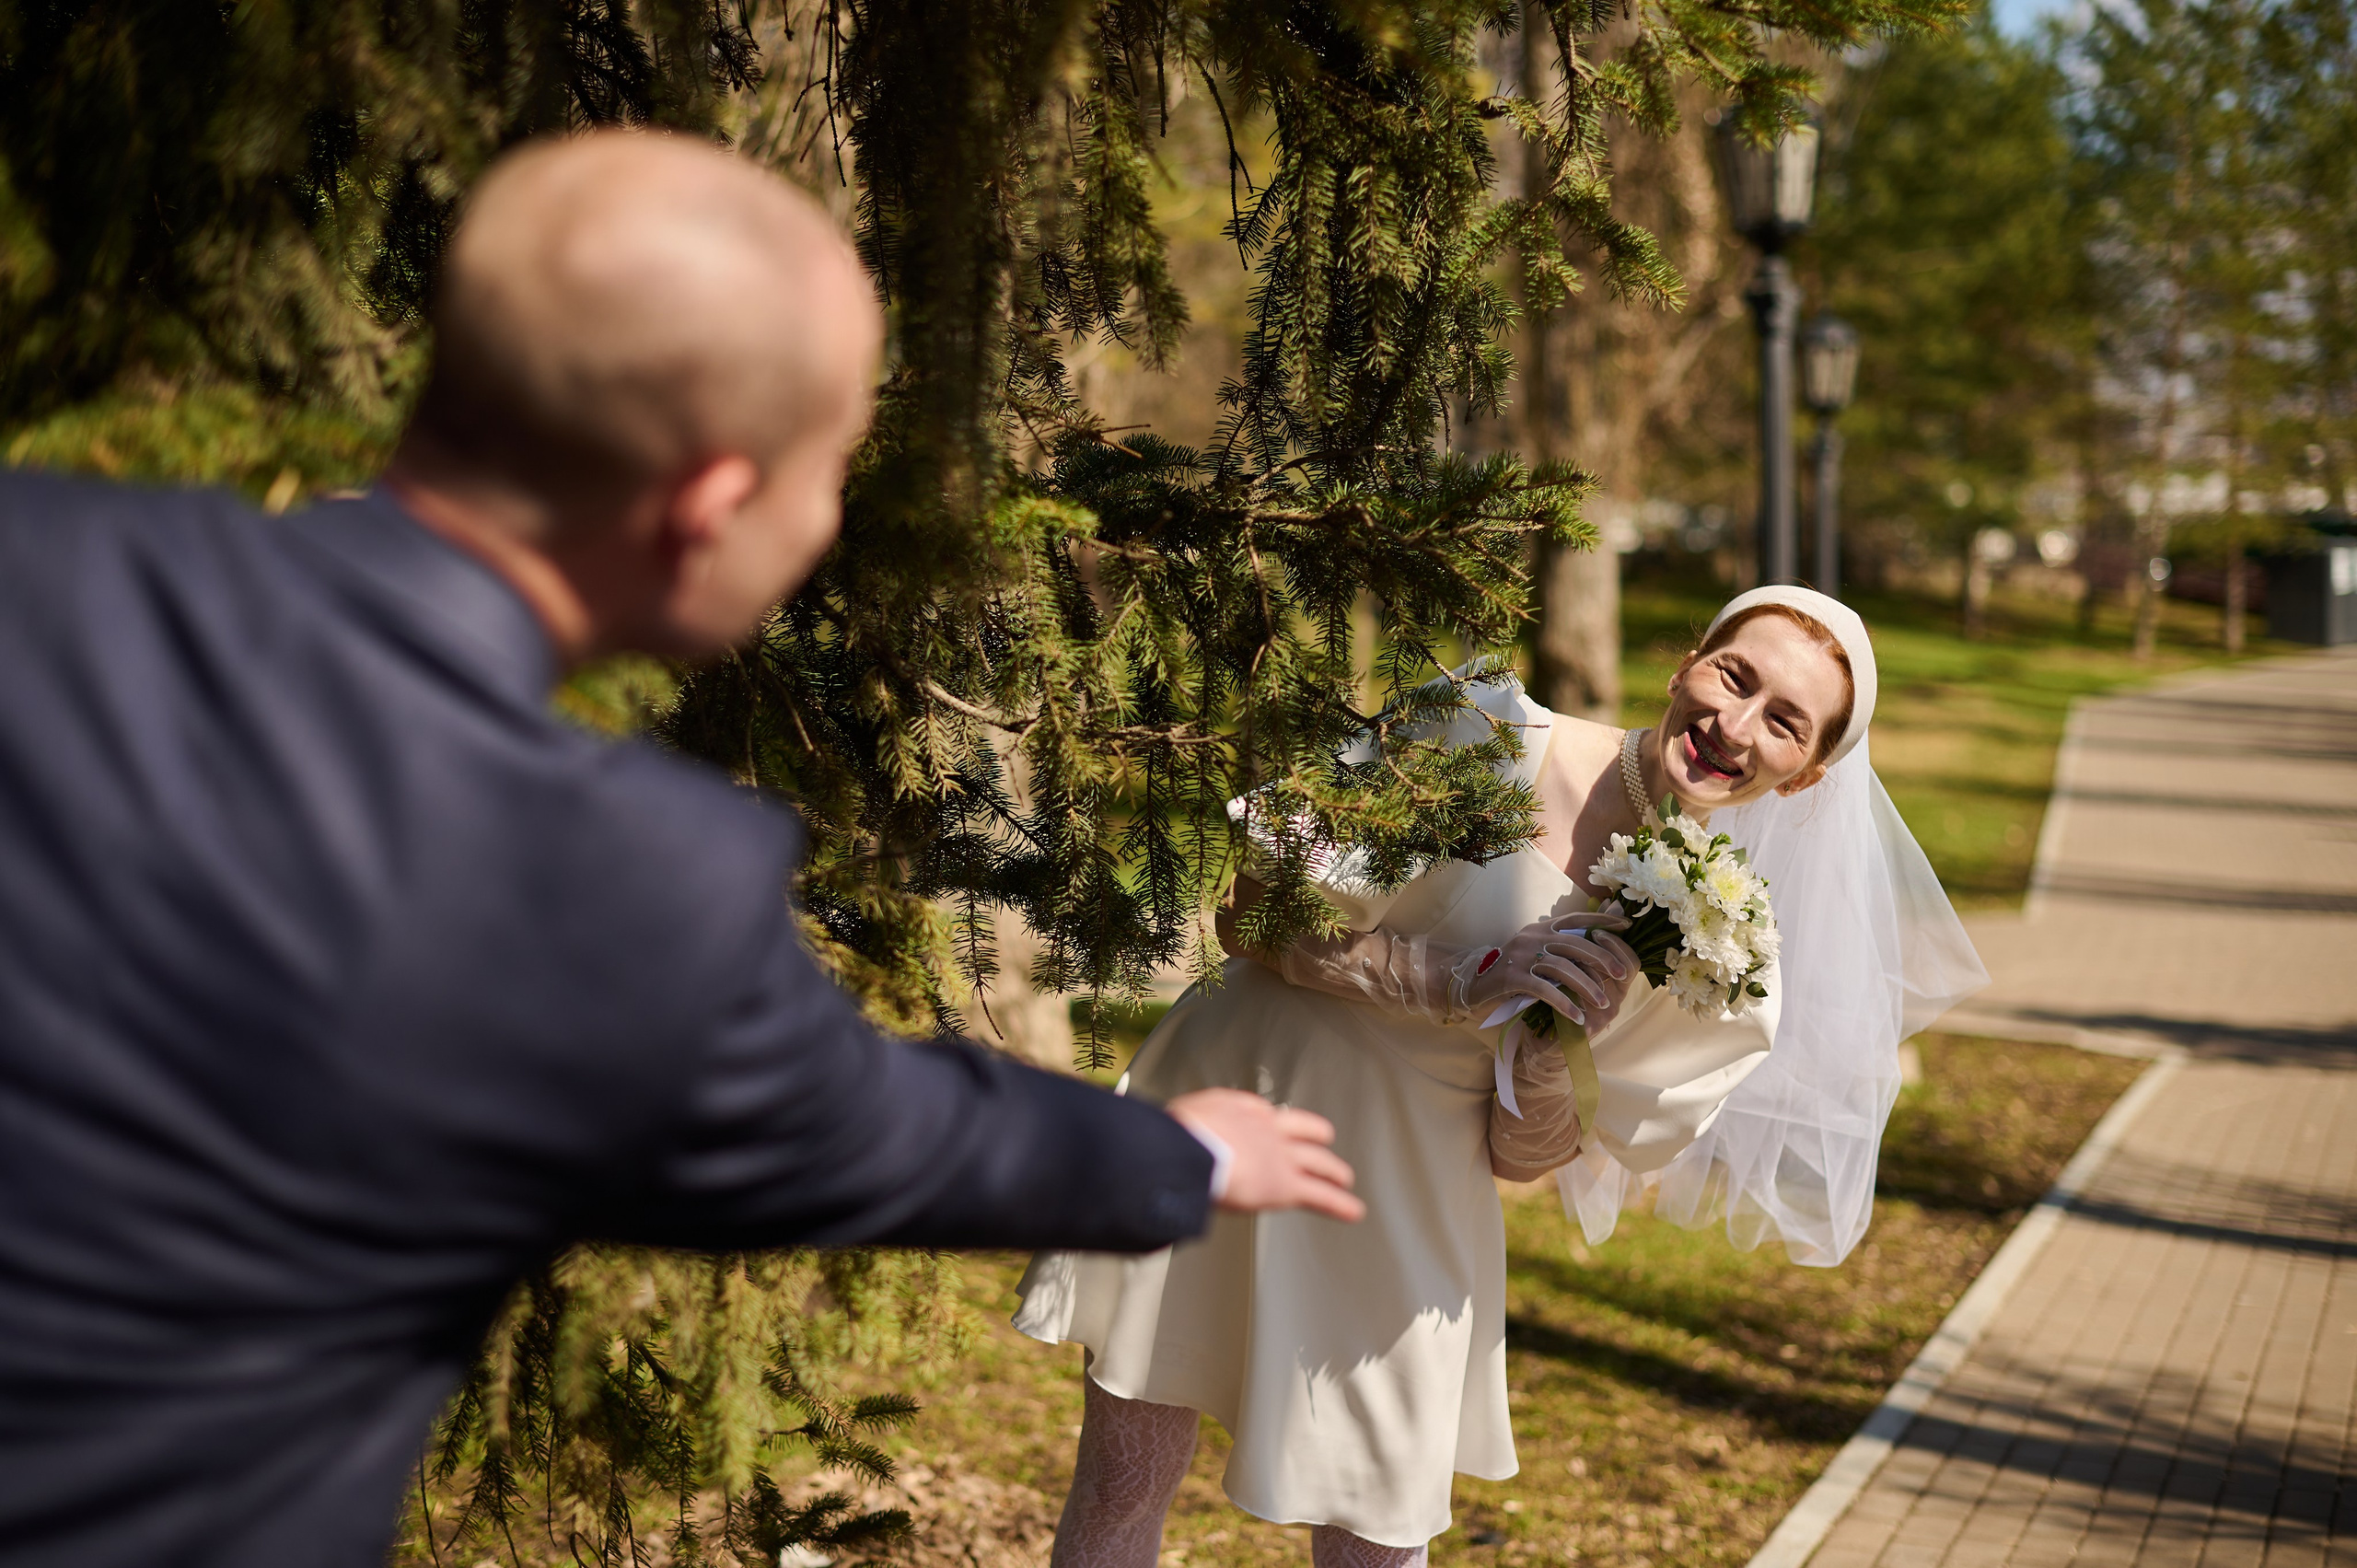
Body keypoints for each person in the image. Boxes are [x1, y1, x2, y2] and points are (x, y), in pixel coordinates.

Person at [0, 131, 1361, 1568]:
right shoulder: (623, 887)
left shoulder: (39, 554)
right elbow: (889, 1136)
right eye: (827, 463)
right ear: (708, 505)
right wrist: (1177, 1157)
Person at [1016, 587, 1989, 1568]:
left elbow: (1524, 1157)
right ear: (1685, 661)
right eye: (1734, 676)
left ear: (1804, 774)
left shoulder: (1717, 944)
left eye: (1784, 721)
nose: (1732, 726)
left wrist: (1556, 1049)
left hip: (1401, 1198)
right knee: (1124, 1484)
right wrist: (1456, 977)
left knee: (1376, 1538)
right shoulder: (1476, 725)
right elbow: (1250, 913)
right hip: (1236, 1095)